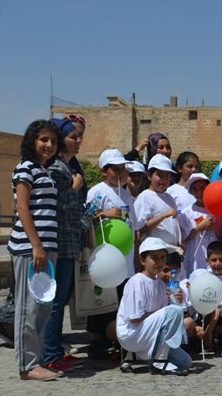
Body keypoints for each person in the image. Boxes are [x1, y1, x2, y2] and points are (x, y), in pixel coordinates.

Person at [9, 120, 63, 381]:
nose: (49, 145)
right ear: (32, 141)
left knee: (43, 305)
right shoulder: (25, 169)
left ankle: (37, 359)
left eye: (53, 141)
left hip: (48, 248)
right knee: (27, 307)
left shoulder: (46, 172)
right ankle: (26, 365)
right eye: (44, 139)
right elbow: (22, 208)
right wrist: (36, 245)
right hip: (30, 249)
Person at [43, 116, 88, 372]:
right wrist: (75, 187)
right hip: (58, 242)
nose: (79, 141)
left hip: (71, 241)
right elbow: (58, 205)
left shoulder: (70, 168)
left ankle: (56, 348)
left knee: (61, 299)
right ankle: (49, 353)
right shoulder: (57, 170)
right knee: (55, 301)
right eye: (74, 137)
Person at [84, 149, 136, 358]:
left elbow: (135, 224)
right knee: (102, 302)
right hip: (105, 258)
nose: (119, 172)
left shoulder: (126, 193)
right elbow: (85, 219)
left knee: (120, 301)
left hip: (126, 259)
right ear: (104, 171)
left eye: (122, 168)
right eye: (115, 169)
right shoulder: (97, 191)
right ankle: (97, 342)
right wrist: (105, 214)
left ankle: (117, 341)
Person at [116, 237, 192, 375]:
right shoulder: (137, 282)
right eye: (154, 257)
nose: (159, 262)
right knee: (173, 311)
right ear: (142, 260)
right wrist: (168, 311)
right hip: (131, 334)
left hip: (146, 334)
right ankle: (159, 361)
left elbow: (163, 320)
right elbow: (135, 318)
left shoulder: (161, 285)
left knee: (185, 362)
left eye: (162, 257)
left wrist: (175, 303)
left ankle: (135, 356)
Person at [135, 154, 181, 247]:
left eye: (167, 176)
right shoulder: (144, 197)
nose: (163, 180)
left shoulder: (169, 197)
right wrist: (163, 215)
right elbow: (140, 229)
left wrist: (179, 242)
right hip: (155, 250)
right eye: (159, 175)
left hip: (173, 250)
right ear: (149, 176)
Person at [178, 173, 219, 273]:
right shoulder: (187, 212)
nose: (199, 192)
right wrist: (201, 226)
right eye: (195, 190)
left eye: (202, 188)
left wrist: (214, 227)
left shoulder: (217, 209)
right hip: (194, 257)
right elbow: (184, 238)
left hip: (214, 257)